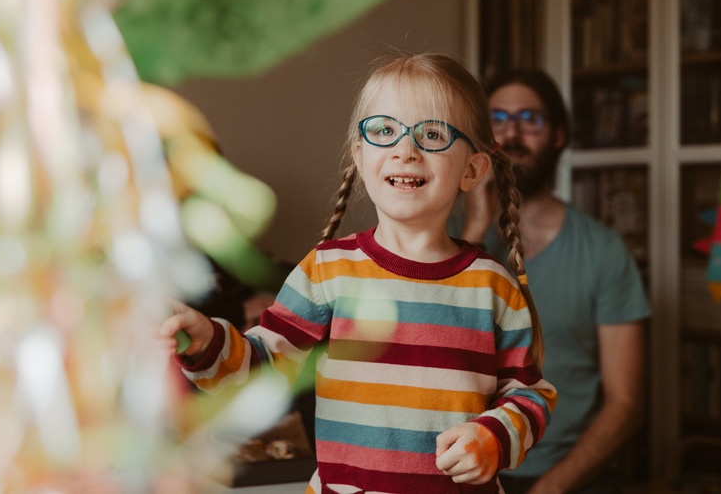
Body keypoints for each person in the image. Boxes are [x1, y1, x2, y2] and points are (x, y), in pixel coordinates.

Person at [160, 52, 558, 493]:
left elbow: (531, 395)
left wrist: (494, 439)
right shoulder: (328, 271)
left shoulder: (493, 287)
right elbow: (265, 367)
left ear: (472, 169)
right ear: (360, 153)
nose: (405, 150)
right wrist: (206, 340)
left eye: (432, 134)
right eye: (385, 131)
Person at [455, 68, 650, 494]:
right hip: (459, 470)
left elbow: (626, 404)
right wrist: (475, 226)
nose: (512, 134)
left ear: (559, 135)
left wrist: (550, 489)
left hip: (567, 476)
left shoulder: (604, 251)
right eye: (499, 120)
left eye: (531, 119)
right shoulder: (445, 235)